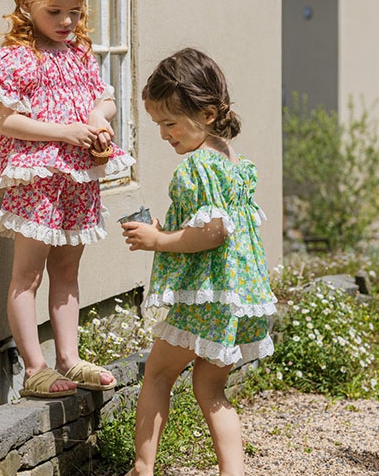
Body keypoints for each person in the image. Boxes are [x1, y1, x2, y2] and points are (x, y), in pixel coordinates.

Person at [0, 0, 135, 398]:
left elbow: (104, 99)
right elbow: (5, 120)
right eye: (56, 12)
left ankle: (68, 359)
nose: (68, 22)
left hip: (76, 178)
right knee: (28, 274)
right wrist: (65, 132)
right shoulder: (17, 57)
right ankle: (35, 368)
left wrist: (96, 121)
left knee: (68, 270)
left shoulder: (78, 54)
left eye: (75, 12)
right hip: (37, 180)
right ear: (26, 2)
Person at [120, 47, 277, 476]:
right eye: (158, 124)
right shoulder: (234, 163)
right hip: (239, 301)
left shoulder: (200, 166)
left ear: (207, 114)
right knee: (210, 389)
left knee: (156, 375)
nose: (163, 133)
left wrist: (158, 239)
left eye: (169, 123)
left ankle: (142, 467)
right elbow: (214, 226)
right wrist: (167, 231)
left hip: (208, 302)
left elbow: (212, 233)